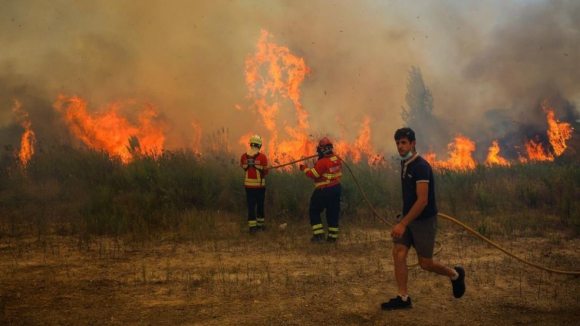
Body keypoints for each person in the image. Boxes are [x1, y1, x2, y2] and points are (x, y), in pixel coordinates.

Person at [381, 127, 465, 310]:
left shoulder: (421, 167)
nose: (400, 147)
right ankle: (403, 298)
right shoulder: (405, 163)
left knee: (425, 263)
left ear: (413, 143)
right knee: (398, 252)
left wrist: (403, 223)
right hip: (408, 217)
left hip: (423, 220)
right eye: (397, 143)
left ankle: (455, 275)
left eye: (403, 142)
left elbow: (423, 201)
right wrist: (404, 220)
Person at [299, 137, 342, 243]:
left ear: (322, 150)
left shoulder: (323, 162)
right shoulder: (337, 159)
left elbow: (313, 174)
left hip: (324, 190)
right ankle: (332, 238)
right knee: (332, 213)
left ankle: (318, 236)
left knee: (314, 211)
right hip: (336, 188)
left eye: (319, 149)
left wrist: (304, 168)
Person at [240, 134, 269, 234]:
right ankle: (260, 226)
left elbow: (243, 167)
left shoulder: (243, 156)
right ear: (259, 145)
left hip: (248, 187)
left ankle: (252, 228)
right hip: (260, 187)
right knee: (260, 205)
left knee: (251, 206)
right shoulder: (262, 157)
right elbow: (266, 172)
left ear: (251, 145)